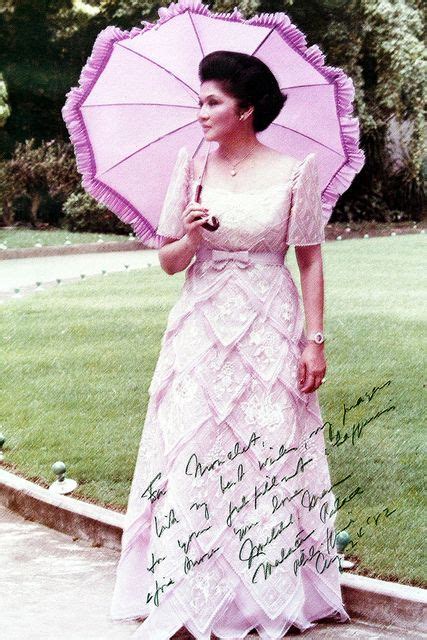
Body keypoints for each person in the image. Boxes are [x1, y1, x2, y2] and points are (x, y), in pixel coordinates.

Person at [110, 50, 351, 639]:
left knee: (262, 445)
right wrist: (190, 233)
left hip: (269, 320)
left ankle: (261, 591)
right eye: (200, 100)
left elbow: (311, 262)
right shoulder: (190, 167)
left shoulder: (299, 170)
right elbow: (168, 262)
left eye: (211, 101)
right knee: (194, 440)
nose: (200, 113)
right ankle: (187, 590)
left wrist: (313, 341)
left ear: (245, 108)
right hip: (201, 322)